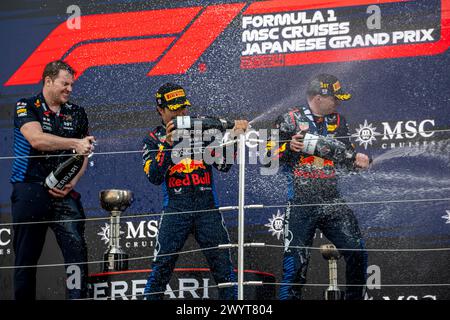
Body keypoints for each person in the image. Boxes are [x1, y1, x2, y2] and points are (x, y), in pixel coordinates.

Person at [267, 74, 370, 300]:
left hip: (332, 200)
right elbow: (267, 160)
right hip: (302, 202)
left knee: (357, 251)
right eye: (335, 98)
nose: (338, 102)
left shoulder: (338, 121)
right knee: (295, 267)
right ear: (317, 97)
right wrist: (288, 149)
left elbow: (346, 158)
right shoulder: (288, 119)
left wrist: (358, 160)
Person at [142, 83, 248, 300]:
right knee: (161, 268)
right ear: (161, 111)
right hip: (175, 209)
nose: (181, 113)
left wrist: (235, 138)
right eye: (175, 109)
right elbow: (153, 176)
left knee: (224, 269)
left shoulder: (203, 130)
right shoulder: (152, 139)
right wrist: (168, 145)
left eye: (184, 108)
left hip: (207, 208)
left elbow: (224, 165)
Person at [10, 60, 95, 300]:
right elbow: (36, 139)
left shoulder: (77, 112)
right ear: (48, 81)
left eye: (71, 84)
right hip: (30, 189)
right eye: (64, 83)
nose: (69, 89)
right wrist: (74, 143)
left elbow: (84, 151)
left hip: (64, 192)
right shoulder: (26, 105)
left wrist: (74, 180)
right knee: (26, 259)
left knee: (76, 253)